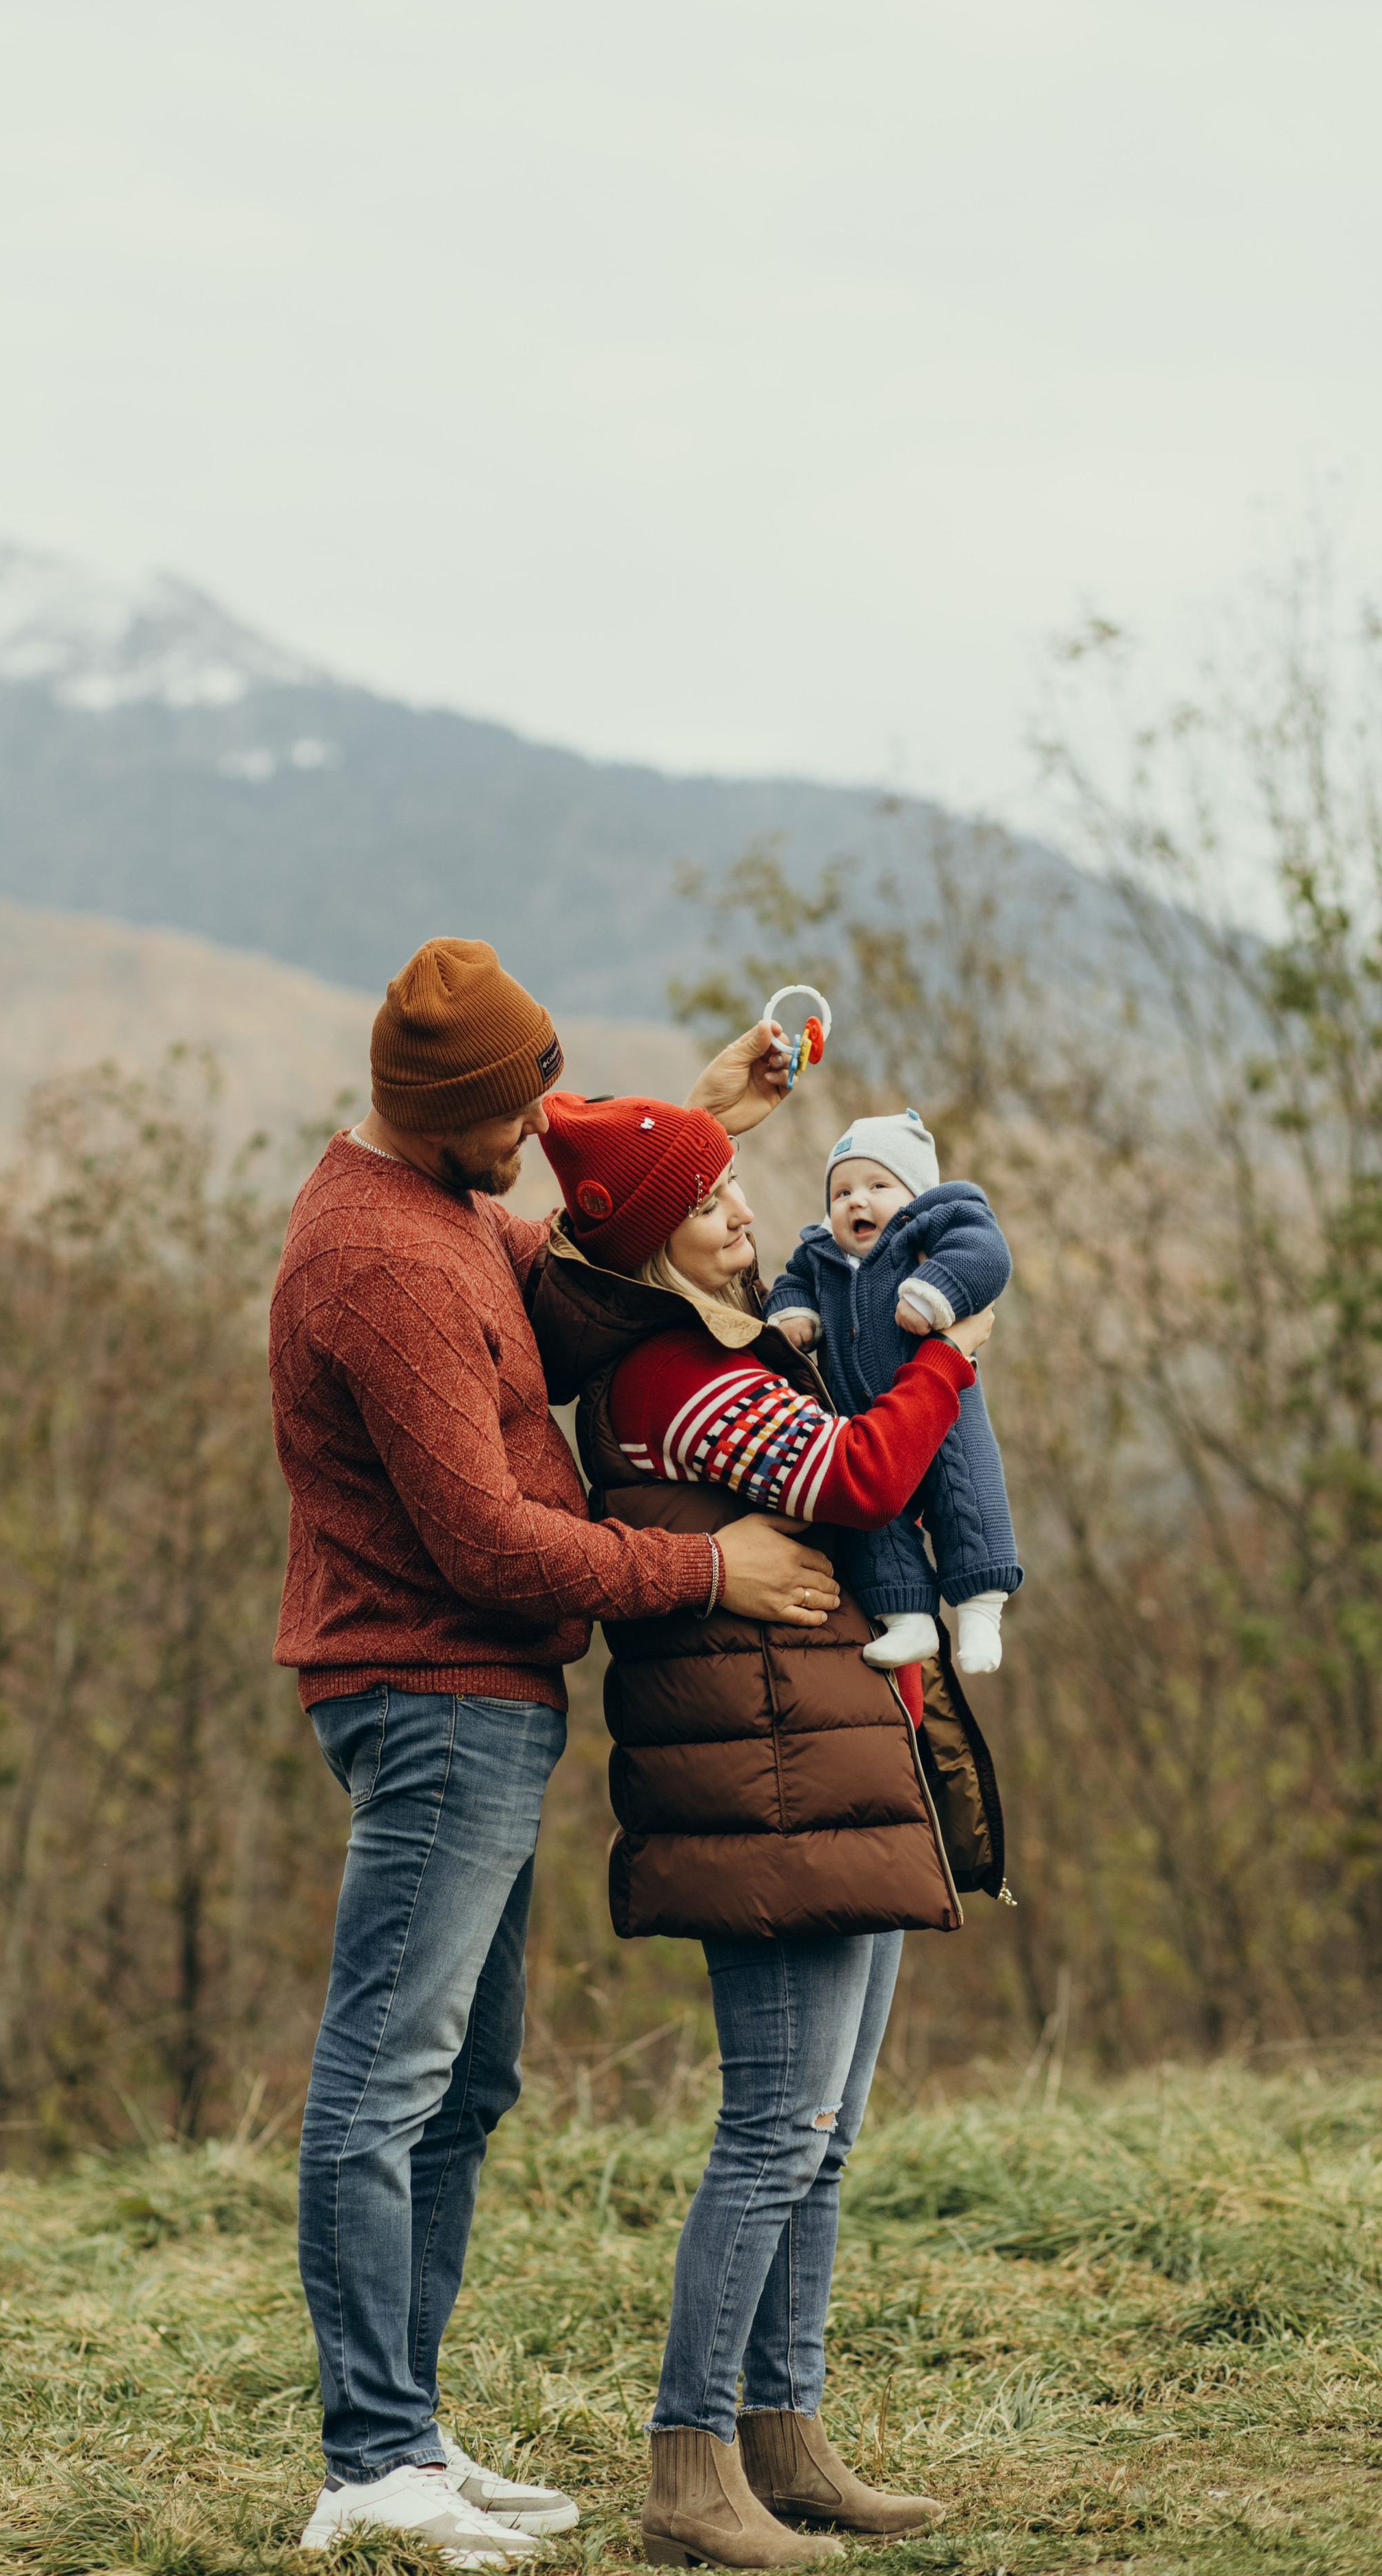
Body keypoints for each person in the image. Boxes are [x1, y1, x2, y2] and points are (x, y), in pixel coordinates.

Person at [270, 938, 836, 2567]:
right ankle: (371, 2460)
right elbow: (486, 1544)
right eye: (519, 1105)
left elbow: (558, 1262)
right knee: (382, 2081)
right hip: (431, 1687)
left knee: (465, 2075)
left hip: (485, 1703)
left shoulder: (440, 1210)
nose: (538, 1124)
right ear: (448, 1110)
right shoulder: (376, 1261)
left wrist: (701, 1114)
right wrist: (702, 1567)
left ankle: (410, 2432)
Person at [533, 1091, 1009, 2570]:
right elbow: (862, 1476)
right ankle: (690, 2468)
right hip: (768, 1791)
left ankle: (783, 2438)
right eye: (707, 1201)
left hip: (817, 1759)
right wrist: (945, 1361)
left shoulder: (731, 1346)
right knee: (772, 2131)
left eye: (739, 1185)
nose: (745, 1213)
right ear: (646, 1246)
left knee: (825, 2134)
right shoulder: (679, 1377)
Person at [764, 1109, 1022, 1672]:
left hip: (945, 1406)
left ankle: (980, 1612)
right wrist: (792, 1314)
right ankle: (910, 1620)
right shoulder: (820, 1254)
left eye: (878, 1185)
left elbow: (987, 1255)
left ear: (914, 1194)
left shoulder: (939, 1221)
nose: (857, 1201)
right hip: (863, 1420)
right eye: (842, 1191)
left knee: (968, 1500)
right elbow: (791, 1282)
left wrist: (935, 1293)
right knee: (872, 1524)